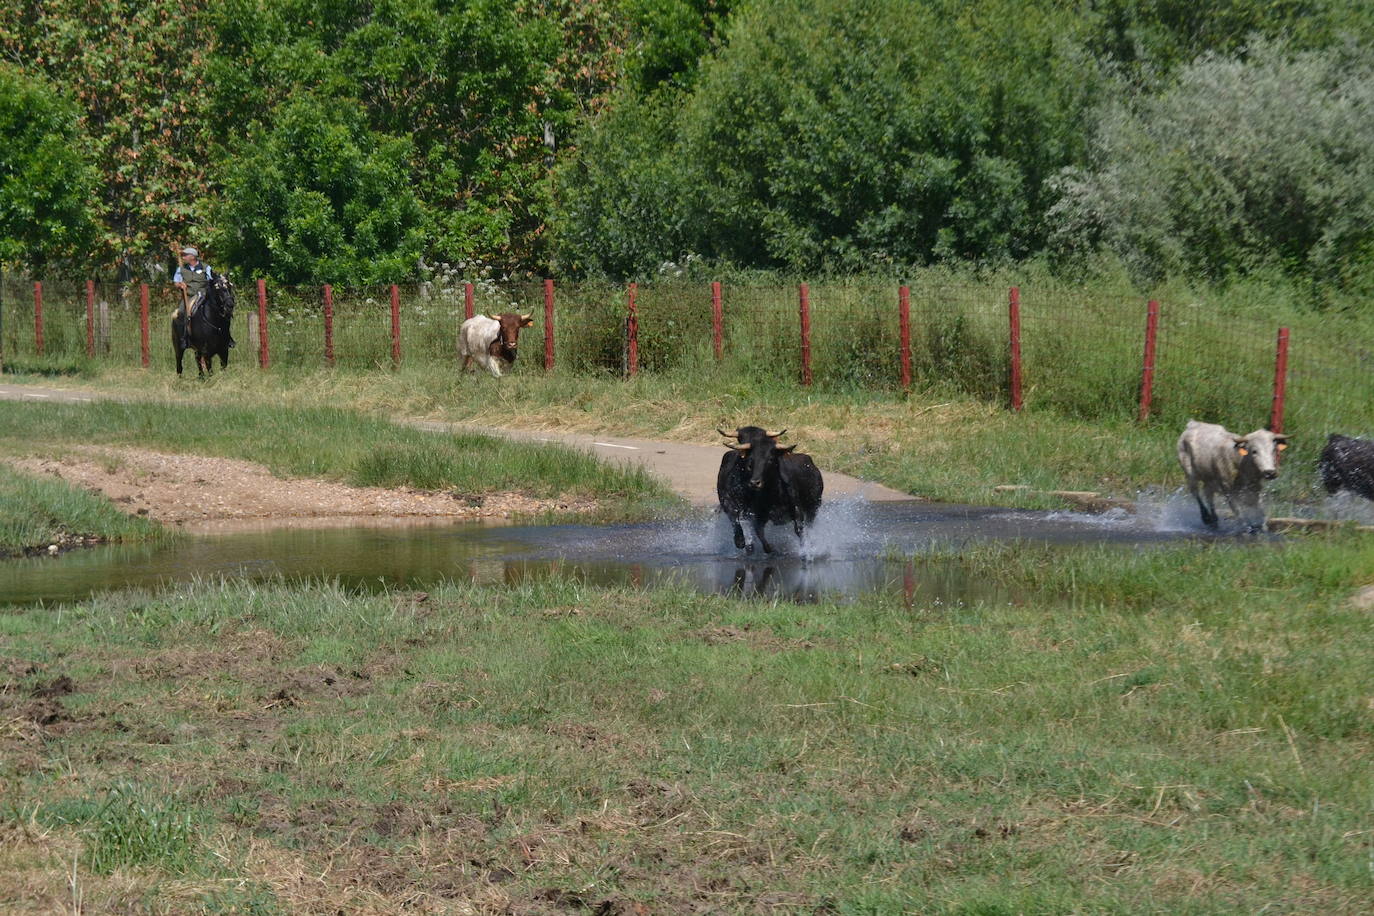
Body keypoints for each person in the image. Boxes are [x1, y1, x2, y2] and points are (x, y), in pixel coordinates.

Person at [173, 246, 234, 347]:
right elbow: (176, 282)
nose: (183, 257)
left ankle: (227, 337)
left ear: (192, 257)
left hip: (204, 294)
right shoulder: (181, 269)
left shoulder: (206, 268)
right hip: (189, 296)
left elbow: (212, 280)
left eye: (185, 255)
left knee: (222, 310)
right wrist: (180, 284)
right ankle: (184, 337)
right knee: (181, 313)